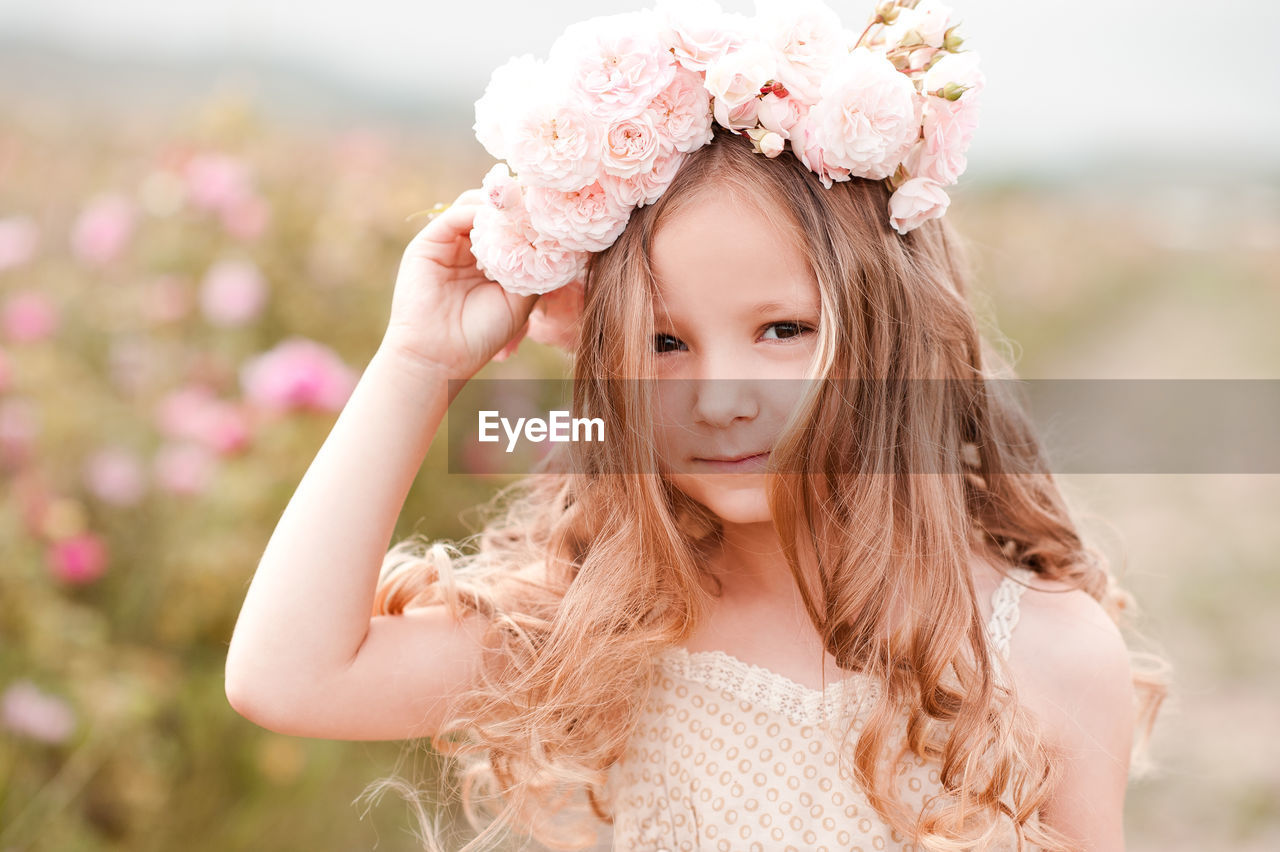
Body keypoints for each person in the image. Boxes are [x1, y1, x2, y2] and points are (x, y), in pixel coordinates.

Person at [224, 2, 1169, 850]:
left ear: (890, 339)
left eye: (784, 331)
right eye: (665, 343)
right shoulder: (608, 631)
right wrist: (418, 365)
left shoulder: (1043, 654)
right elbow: (289, 677)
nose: (720, 400)